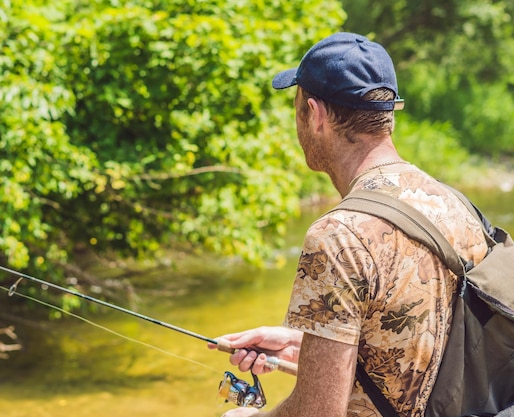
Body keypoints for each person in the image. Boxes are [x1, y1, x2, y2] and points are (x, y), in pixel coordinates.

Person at [208, 32, 488, 417]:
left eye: (297, 107)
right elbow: (426, 350)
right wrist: (305, 346)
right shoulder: (454, 204)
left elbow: (317, 414)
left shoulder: (337, 238)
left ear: (315, 113)